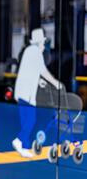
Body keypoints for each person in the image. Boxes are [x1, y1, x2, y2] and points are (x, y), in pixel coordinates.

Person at [12, 28, 61, 157]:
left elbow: (30, 71)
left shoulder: (28, 51)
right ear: (39, 43)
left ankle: (24, 147)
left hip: (21, 92)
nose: (44, 47)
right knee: (31, 120)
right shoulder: (35, 53)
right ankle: (18, 140)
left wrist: (39, 82)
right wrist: (56, 83)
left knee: (25, 120)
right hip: (27, 94)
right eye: (43, 44)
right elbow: (43, 72)